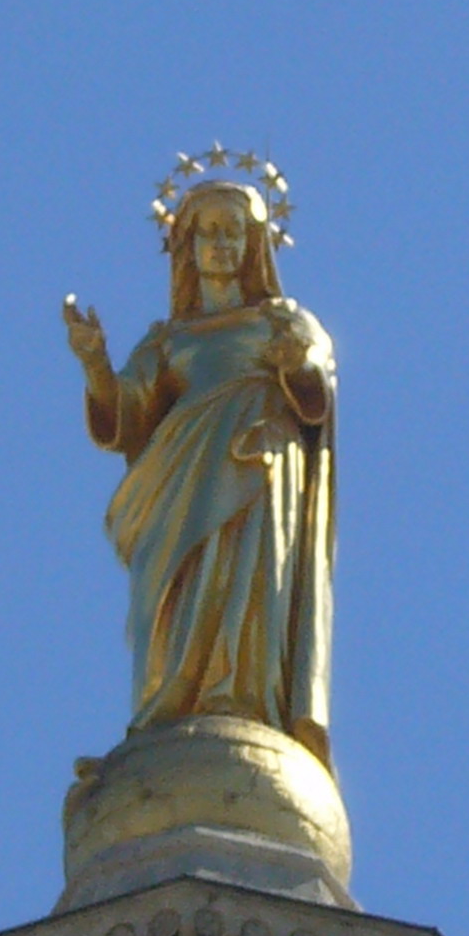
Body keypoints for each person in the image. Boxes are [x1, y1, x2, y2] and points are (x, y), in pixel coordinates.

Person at [63, 180, 337, 767]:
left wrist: (294, 367)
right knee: (178, 598)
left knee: (248, 588)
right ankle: (171, 706)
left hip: (258, 471)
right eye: (207, 232)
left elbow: (316, 398)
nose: (221, 244)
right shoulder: (168, 343)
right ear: (186, 246)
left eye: (233, 231)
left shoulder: (282, 321)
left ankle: (243, 700)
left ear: (254, 243)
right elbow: (127, 419)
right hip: (179, 485)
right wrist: (93, 364)